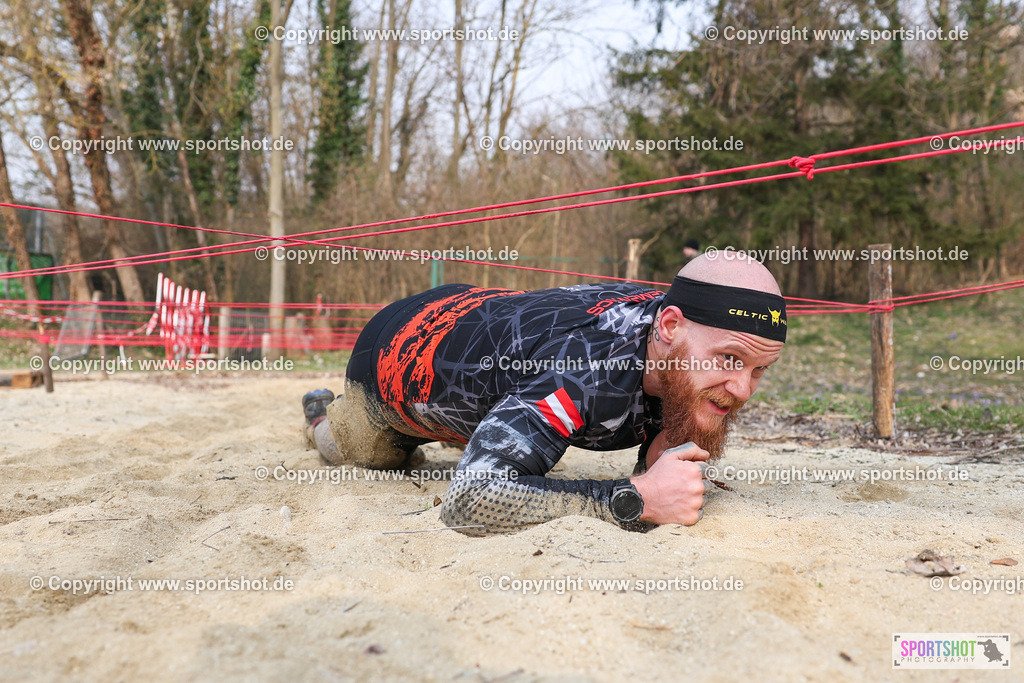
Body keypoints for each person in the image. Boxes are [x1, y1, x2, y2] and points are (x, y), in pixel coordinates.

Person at [301, 253, 786, 535]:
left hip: (476, 313)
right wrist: (632, 497)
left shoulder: (676, 342)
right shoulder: (585, 371)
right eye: (729, 359)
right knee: (361, 453)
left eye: (759, 369)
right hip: (394, 350)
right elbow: (468, 501)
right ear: (669, 326)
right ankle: (321, 410)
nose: (742, 389)